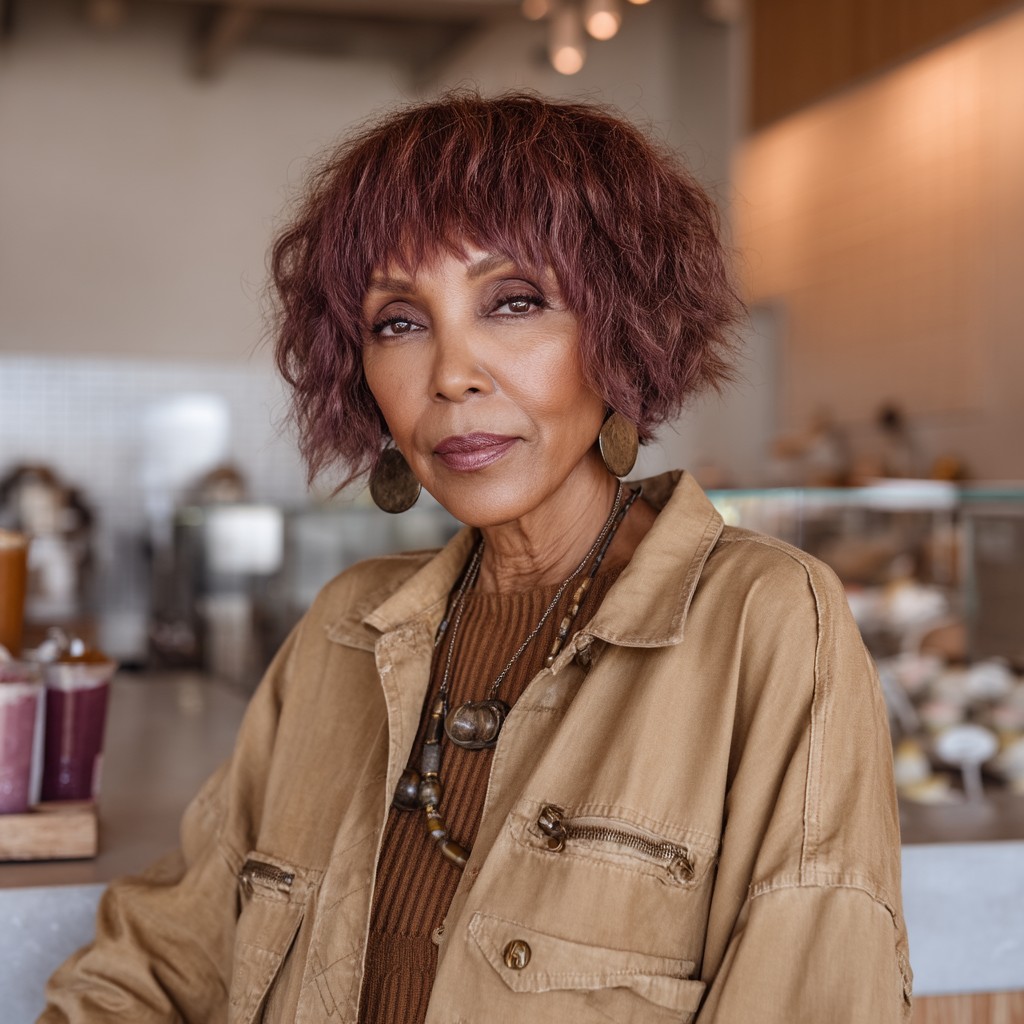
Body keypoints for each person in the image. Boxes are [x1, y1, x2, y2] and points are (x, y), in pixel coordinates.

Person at [40, 92, 912, 1023]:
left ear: (619, 330)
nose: (451, 374)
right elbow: (159, 969)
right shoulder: (344, 626)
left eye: (515, 302)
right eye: (399, 322)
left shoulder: (768, 622)